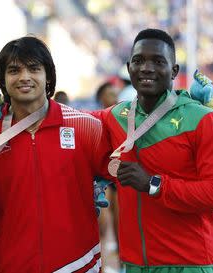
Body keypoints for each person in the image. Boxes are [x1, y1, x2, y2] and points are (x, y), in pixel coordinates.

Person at [0, 36, 106, 272]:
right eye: (14, 70)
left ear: (48, 76)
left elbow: (119, 184)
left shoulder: (85, 127)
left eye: (34, 69)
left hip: (79, 266)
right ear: (2, 80)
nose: (24, 77)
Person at [94, 28, 213, 273]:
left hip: (190, 264)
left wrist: (153, 184)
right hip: (135, 265)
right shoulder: (115, 117)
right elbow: (70, 124)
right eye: (139, 61)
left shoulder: (202, 119)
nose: (146, 68)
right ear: (129, 68)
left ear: (174, 71)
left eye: (158, 61)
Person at [94, 81, 121, 271]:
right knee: (100, 228)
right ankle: (100, 267)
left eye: (114, 92)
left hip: (121, 180)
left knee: (122, 229)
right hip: (103, 182)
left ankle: (122, 266)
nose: (113, 96)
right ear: (101, 98)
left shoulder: (125, 117)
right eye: (109, 93)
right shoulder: (96, 121)